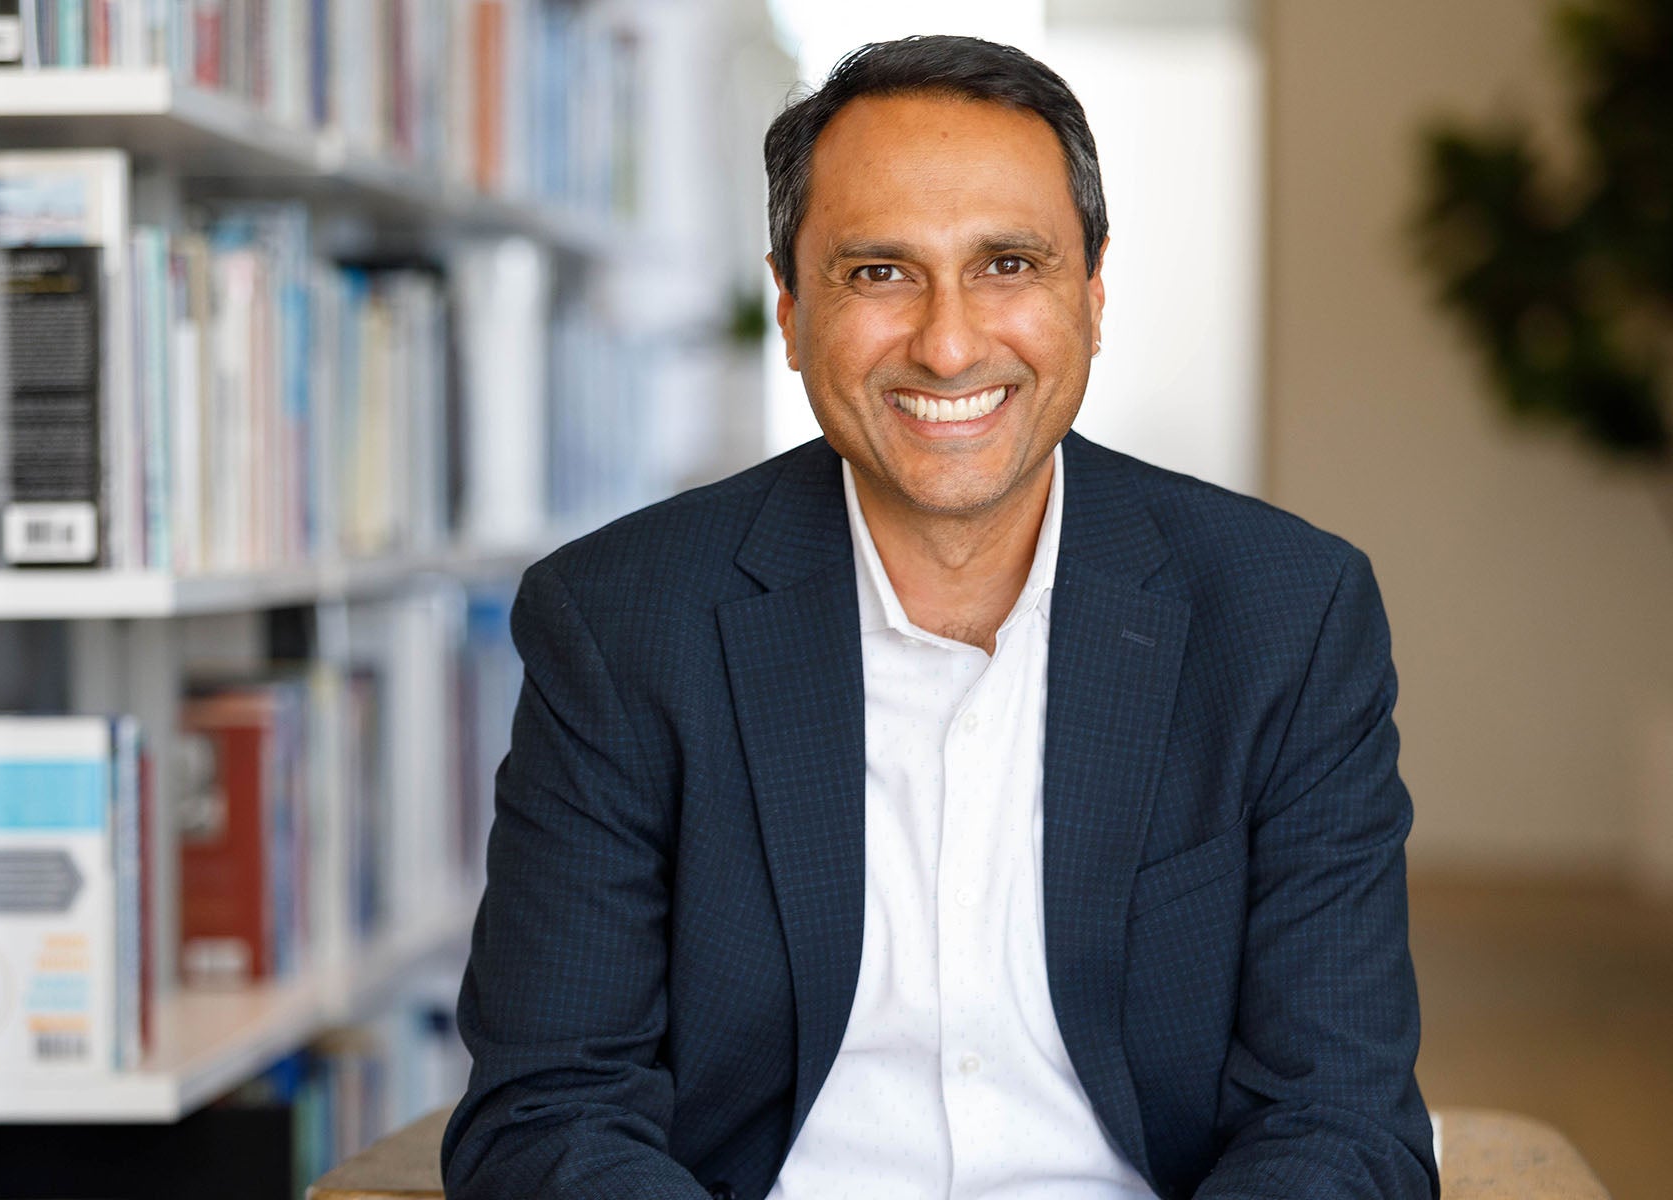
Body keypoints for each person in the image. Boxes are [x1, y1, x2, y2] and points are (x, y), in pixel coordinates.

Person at [443, 34, 1436, 1200]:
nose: (949, 342)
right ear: (789, 305)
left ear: (1093, 290)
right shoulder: (620, 623)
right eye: (877, 273)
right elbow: (547, 1110)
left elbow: (1339, 1121)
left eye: (1007, 263)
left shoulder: (1283, 618)